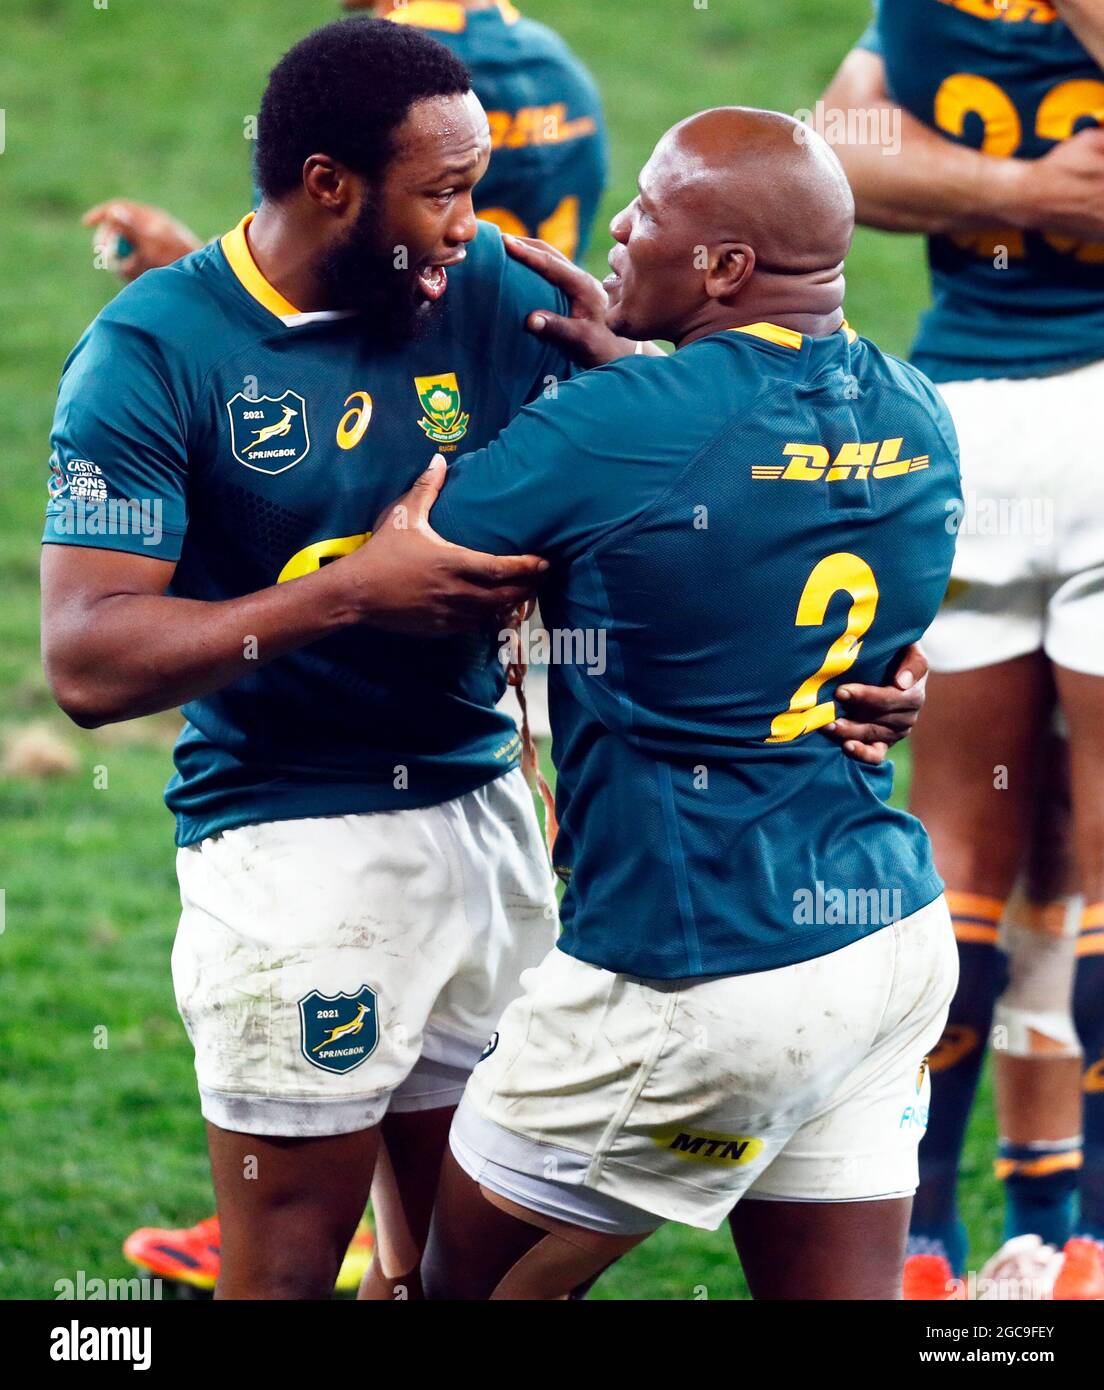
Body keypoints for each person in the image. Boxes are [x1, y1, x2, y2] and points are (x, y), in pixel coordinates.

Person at [42, 19, 920, 1300]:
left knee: (438, 1273)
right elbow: (86, 658)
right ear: (331, 184)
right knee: (285, 1266)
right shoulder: (150, 355)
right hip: (291, 846)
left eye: (481, 185)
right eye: (445, 192)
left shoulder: (502, 290)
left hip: (494, 824)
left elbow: (707, 483)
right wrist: (348, 597)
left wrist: (871, 663)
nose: (477, 223)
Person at [392, 105, 960, 1301]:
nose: (618, 224)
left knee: (446, 1291)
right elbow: (774, 514)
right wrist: (649, 389)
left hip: (694, 967)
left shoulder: (623, 428)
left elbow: (413, 555)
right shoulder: (920, 409)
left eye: (647, 210)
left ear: (726, 268)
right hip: (887, 942)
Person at [822, 0, 1104, 1298]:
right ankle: (1090, 1238)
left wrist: (987, 188)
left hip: (961, 421)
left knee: (956, 839)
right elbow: (833, 149)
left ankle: (920, 1238)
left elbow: (845, 141)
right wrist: (1032, 184)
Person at [83, 0, 607, 281]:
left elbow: (294, 292)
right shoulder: (562, 69)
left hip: (402, 411)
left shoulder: (348, 82)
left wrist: (180, 268)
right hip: (528, 378)